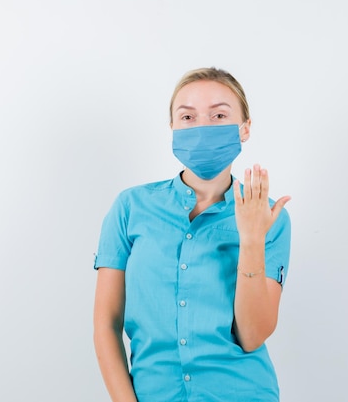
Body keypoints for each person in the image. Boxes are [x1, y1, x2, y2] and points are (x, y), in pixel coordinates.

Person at [93, 67, 292, 402]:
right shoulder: (131, 208)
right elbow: (106, 325)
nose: (202, 127)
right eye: (188, 116)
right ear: (172, 127)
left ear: (244, 129)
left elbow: (252, 335)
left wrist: (252, 239)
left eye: (218, 115)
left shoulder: (270, 217)